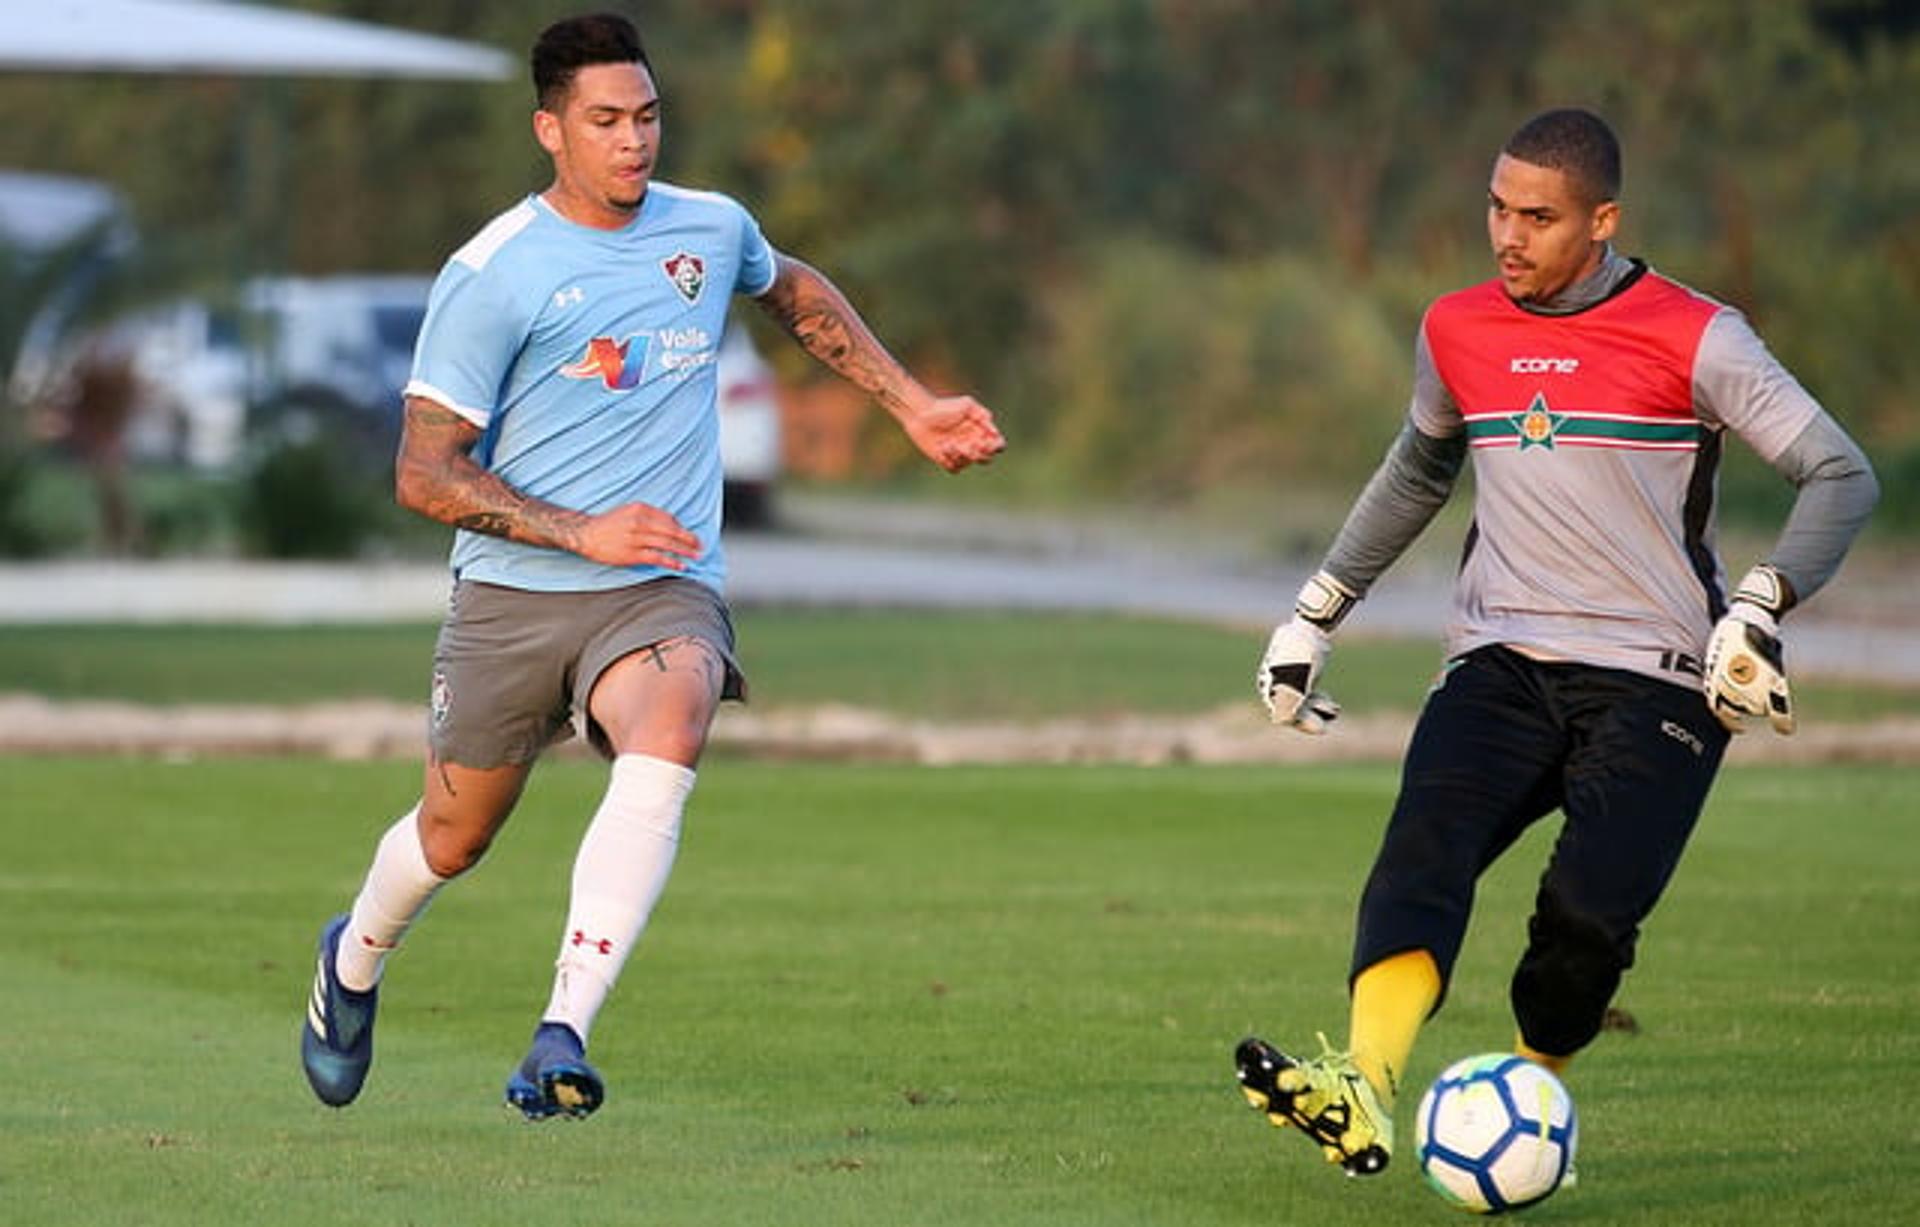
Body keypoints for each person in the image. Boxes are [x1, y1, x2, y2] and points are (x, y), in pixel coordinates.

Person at [300, 11, 1004, 1120]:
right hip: (513, 597)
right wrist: (582, 531)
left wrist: (913, 403)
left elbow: (794, 290)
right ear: (550, 130)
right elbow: (425, 475)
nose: (633, 140)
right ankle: (353, 959)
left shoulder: (711, 227)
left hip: (662, 585)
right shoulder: (493, 273)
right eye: (605, 121)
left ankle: (560, 1030)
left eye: (647, 116)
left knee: (674, 720)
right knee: (453, 838)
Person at [1233, 108, 1878, 1177]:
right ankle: (1362, 1087)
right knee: (1419, 857)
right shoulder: (1456, 330)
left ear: (1603, 221)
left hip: (1662, 680)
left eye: (1538, 216)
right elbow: (1417, 471)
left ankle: (1533, 1104)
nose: (1508, 235)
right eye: (1497, 207)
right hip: (1499, 661)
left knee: (1581, 928)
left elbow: (1841, 472)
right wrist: (1313, 613)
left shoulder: (1698, 333)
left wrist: (1758, 605)